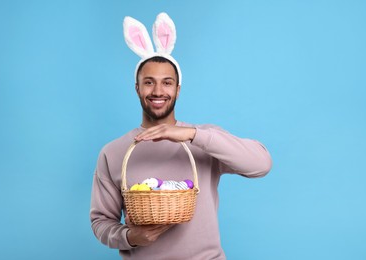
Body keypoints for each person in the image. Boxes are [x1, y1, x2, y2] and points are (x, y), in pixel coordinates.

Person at [90, 13, 272, 260]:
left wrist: (191, 135)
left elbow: (261, 164)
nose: (157, 91)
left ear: (177, 89)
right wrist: (131, 237)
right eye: (148, 82)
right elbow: (101, 221)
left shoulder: (205, 139)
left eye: (167, 82)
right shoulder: (113, 152)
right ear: (137, 88)